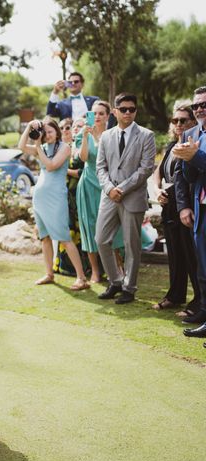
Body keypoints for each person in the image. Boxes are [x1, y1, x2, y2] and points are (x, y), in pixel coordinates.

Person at [95, 93, 156, 304]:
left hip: (133, 197)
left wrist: (121, 188)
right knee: (101, 240)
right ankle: (115, 281)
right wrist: (110, 188)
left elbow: (146, 168)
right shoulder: (106, 136)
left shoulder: (146, 135)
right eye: (124, 109)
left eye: (132, 109)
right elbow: (100, 167)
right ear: (115, 111)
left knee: (132, 244)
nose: (128, 112)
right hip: (109, 196)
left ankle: (129, 288)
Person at [19, 116, 90, 290]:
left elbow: (51, 166)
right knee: (45, 238)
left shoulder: (65, 147)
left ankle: (81, 278)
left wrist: (37, 147)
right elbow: (20, 147)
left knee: (64, 238)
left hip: (56, 197)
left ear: (57, 132)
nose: (47, 135)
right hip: (40, 198)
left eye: (50, 132)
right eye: (45, 132)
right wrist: (29, 127)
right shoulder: (42, 147)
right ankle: (49, 274)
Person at [151, 104, 199, 314]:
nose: (178, 124)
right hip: (168, 204)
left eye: (183, 120)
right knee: (175, 254)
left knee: (192, 256)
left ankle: (198, 302)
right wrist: (156, 189)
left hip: (187, 204)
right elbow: (158, 172)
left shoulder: (195, 144)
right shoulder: (171, 146)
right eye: (175, 120)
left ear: (193, 122)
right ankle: (175, 295)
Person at [77, 100, 125, 283]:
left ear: (108, 116)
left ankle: (118, 269)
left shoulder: (113, 135)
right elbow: (83, 158)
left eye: (101, 113)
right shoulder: (84, 135)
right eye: (94, 113)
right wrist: (85, 135)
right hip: (88, 185)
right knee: (90, 228)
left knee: (113, 228)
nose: (97, 117)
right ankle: (96, 272)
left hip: (107, 186)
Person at [173, 86, 206, 343]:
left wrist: (196, 156)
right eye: (196, 105)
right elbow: (188, 177)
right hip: (199, 207)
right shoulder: (191, 133)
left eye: (204, 104)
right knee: (202, 266)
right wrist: (187, 160)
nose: (199, 109)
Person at [54, 118, 90, 277]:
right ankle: (64, 266)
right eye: (73, 126)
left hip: (79, 193)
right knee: (65, 228)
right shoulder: (65, 148)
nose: (73, 129)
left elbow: (82, 172)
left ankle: (83, 267)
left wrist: (64, 170)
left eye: (77, 126)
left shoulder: (83, 147)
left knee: (79, 230)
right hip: (64, 193)